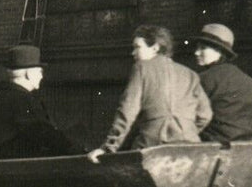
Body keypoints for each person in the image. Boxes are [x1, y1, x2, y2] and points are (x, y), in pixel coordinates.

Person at [88, 24, 212, 163]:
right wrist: (185, 131)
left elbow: (127, 112)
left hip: (153, 146)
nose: (133, 53)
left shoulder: (141, 68)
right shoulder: (190, 74)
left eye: (137, 47)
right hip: (190, 147)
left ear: (155, 48)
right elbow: (205, 115)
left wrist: (108, 148)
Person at [0, 44, 83, 159]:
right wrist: (73, 149)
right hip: (18, 165)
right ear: (29, 74)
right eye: (40, 72)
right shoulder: (22, 98)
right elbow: (41, 132)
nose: (41, 77)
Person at [189, 23, 252, 142]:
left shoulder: (201, 79)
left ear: (219, 50)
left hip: (215, 147)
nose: (196, 53)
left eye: (202, 48)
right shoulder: (250, 82)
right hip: (251, 146)